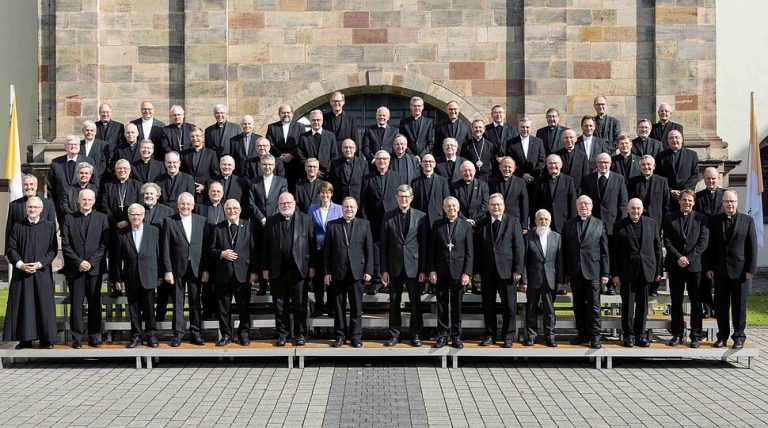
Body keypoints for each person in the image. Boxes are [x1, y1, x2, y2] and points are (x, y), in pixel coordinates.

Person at [3, 197, 59, 349]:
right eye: (30, 207)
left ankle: (46, 339)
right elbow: (11, 248)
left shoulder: (49, 226)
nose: (32, 210)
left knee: (43, 305)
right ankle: (25, 339)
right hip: (22, 273)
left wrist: (39, 264)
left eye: (35, 207)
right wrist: (20, 264)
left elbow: (52, 250)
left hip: (41, 272)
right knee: (24, 305)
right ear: (26, 208)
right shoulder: (18, 226)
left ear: (41, 209)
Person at [706, 191, 757, 349]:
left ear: (737, 202)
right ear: (722, 203)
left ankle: (739, 337)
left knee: (739, 307)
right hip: (720, 270)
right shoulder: (714, 220)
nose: (730, 204)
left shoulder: (747, 220)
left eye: (732, 201)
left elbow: (752, 247)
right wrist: (709, 267)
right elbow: (710, 246)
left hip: (740, 271)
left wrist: (750, 269)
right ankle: (722, 336)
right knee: (721, 306)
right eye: (727, 201)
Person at [262, 193, 315, 346]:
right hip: (277, 269)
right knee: (279, 305)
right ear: (278, 205)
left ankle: (300, 334)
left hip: (299, 269)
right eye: (282, 203)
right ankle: (282, 335)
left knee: (300, 304)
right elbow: (264, 247)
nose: (286, 205)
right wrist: (265, 268)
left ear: (294, 203)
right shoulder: (271, 221)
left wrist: (312, 266)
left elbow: (312, 244)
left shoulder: (305, 219)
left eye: (288, 202)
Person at [473, 193, 524, 348]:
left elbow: (519, 248)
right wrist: (476, 271)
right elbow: (476, 249)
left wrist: (518, 269)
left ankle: (508, 336)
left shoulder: (513, 222)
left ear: (504, 206)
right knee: (488, 306)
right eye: (493, 205)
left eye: (499, 205)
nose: (496, 207)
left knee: (509, 306)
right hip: (487, 271)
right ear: (488, 207)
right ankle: (490, 335)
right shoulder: (481, 224)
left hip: (507, 271)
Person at [380, 185, 428, 347]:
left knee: (415, 302)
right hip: (394, 266)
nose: (403, 199)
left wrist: (423, 269)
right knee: (394, 301)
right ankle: (395, 334)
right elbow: (383, 245)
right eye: (401, 196)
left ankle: (416, 334)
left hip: (414, 266)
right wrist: (384, 269)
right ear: (396, 198)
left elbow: (424, 245)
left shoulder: (421, 216)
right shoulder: (388, 216)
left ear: (411, 198)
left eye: (406, 196)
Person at [60, 189, 109, 348]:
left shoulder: (102, 218)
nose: (86, 202)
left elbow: (104, 244)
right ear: (78, 201)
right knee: (76, 303)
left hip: (95, 269)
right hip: (75, 269)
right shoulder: (69, 218)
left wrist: (91, 262)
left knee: (95, 302)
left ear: (94, 201)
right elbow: (65, 245)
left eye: (89, 199)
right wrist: (79, 262)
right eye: (84, 199)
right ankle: (77, 337)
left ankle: (94, 335)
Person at [611, 199, 663, 347]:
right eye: (633, 208)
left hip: (646, 271)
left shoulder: (652, 224)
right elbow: (614, 252)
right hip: (627, 272)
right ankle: (628, 335)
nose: (636, 211)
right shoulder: (619, 225)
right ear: (628, 209)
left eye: (638, 208)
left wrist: (658, 271)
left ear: (642, 209)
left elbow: (658, 249)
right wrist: (615, 274)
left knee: (643, 306)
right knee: (627, 305)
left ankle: (640, 335)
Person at [324, 197, 374, 348]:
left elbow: (369, 249)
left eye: (352, 207)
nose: (349, 209)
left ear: (356, 209)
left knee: (356, 307)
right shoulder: (332, 225)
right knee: (338, 307)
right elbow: (327, 251)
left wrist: (369, 270)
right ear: (342, 208)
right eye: (346, 206)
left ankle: (356, 337)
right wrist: (327, 272)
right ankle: (340, 336)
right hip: (338, 272)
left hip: (357, 272)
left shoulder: (364, 224)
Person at [663, 190, 710, 348]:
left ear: (694, 202)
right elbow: (667, 240)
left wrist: (688, 258)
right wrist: (679, 257)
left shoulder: (701, 218)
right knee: (676, 301)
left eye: (690, 200)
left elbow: (703, 242)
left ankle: (696, 335)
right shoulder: (670, 218)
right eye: (684, 200)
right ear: (679, 201)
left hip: (694, 266)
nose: (687, 203)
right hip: (675, 265)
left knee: (696, 302)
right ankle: (677, 334)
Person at [207, 199, 257, 346]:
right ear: (225, 211)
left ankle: (244, 334)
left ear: (240, 210)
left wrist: (254, 272)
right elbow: (210, 250)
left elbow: (254, 251)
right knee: (224, 308)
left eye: (235, 208)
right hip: (223, 274)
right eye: (229, 208)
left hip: (244, 273)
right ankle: (226, 335)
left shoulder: (249, 226)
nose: (232, 211)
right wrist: (221, 253)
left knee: (244, 307)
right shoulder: (218, 228)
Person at [562, 195, 610, 349]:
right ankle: (582, 334)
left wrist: (605, 273)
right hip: (575, 272)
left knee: (594, 306)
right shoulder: (568, 224)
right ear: (576, 207)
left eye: (587, 203)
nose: (584, 206)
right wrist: (565, 273)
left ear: (592, 206)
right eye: (581, 204)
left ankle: (595, 336)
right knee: (578, 305)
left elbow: (604, 251)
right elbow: (564, 251)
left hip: (593, 271)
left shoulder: (599, 224)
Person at [161, 192, 208, 346]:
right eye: (182, 203)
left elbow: (206, 248)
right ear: (178, 205)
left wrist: (206, 269)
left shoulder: (202, 221)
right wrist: (168, 270)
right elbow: (165, 248)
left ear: (193, 205)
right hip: (177, 269)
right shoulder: (169, 221)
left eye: (188, 204)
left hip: (196, 267)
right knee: (178, 302)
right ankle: (178, 334)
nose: (185, 206)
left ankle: (196, 333)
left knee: (195, 301)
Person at [111, 203, 161, 348]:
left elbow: (160, 253)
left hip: (149, 275)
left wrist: (160, 275)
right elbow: (117, 258)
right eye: (132, 214)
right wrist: (118, 278)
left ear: (143, 215)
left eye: (138, 214)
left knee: (149, 308)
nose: (135, 217)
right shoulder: (121, 233)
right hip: (130, 275)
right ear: (128, 216)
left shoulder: (154, 231)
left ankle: (152, 335)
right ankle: (136, 336)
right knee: (133, 309)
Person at [428, 197, 473, 349]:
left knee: (456, 306)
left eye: (454, 206)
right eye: (448, 206)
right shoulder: (437, 224)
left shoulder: (466, 226)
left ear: (458, 208)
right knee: (441, 305)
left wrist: (467, 272)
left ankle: (456, 336)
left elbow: (470, 252)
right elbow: (431, 250)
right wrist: (432, 270)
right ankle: (442, 335)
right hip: (440, 271)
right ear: (444, 208)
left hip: (458, 272)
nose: (451, 208)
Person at [580, 153, 628, 294]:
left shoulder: (619, 179)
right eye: (601, 162)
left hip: (612, 224)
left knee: (611, 253)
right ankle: (597, 283)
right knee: (596, 253)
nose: (603, 165)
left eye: (606, 162)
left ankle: (611, 283)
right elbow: (584, 200)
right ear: (596, 163)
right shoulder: (588, 179)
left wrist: (621, 223)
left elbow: (623, 203)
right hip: (593, 224)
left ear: (610, 163)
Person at [361, 150, 405, 294]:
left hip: (393, 219)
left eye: (385, 159)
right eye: (379, 159)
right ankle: (377, 281)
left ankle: (393, 280)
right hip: (374, 220)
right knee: (375, 250)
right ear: (375, 162)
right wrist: (365, 221)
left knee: (393, 249)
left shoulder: (397, 177)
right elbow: (363, 202)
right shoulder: (367, 178)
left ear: (389, 161)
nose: (382, 162)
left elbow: (402, 199)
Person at [520, 209, 563, 347]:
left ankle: (550, 336)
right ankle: (531, 336)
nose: (543, 221)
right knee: (531, 309)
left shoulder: (557, 237)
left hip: (550, 279)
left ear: (550, 221)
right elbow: (524, 261)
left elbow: (560, 261)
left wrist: (560, 281)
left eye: (546, 219)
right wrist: (524, 280)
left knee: (549, 310)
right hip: (533, 278)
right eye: (540, 219)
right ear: (535, 220)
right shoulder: (528, 237)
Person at [308, 182, 343, 317]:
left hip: (333, 249)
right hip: (318, 248)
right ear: (319, 194)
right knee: (318, 280)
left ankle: (331, 307)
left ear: (331, 194)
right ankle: (318, 307)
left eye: (328, 192)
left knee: (332, 279)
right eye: (322, 192)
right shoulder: (313, 208)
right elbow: (309, 228)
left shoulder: (338, 209)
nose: (325, 195)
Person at [694, 167, 725, 317]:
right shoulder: (698, 197)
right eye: (708, 178)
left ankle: (718, 308)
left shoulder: (725, 195)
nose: (711, 181)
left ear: (718, 178)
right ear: (704, 179)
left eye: (713, 178)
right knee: (704, 277)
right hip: (703, 241)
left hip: (721, 241)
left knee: (719, 277)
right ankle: (706, 307)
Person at [48, 135, 94, 224]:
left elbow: (94, 182)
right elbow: (51, 186)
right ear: (65, 146)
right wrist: (52, 206)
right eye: (70, 144)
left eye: (75, 144)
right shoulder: (56, 163)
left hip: (84, 207)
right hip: (61, 208)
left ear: (79, 146)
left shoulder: (88, 161)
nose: (73, 146)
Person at [5, 175, 56, 251]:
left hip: (42, 251)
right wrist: (7, 252)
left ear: (36, 185)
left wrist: (52, 252)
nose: (28, 187)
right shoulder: (14, 205)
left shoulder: (48, 204)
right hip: (20, 252)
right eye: (25, 184)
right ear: (22, 186)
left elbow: (52, 231)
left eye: (31, 184)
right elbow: (9, 231)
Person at [529, 154, 577, 233]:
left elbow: (572, 203)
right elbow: (534, 204)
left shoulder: (568, 181)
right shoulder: (539, 181)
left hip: (563, 222)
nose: (553, 166)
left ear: (561, 165)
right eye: (550, 163)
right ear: (546, 165)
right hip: (544, 223)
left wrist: (572, 223)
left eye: (555, 163)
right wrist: (533, 224)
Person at [655, 130, 699, 210]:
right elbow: (658, 176)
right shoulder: (660, 156)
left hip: (686, 197)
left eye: (677, 137)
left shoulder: (692, 155)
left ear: (682, 139)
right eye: (671, 138)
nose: (674, 140)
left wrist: (684, 191)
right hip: (668, 196)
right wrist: (670, 190)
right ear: (668, 141)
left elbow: (695, 175)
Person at [265, 104, 303, 186]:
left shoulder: (300, 127)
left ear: (292, 114)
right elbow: (269, 142)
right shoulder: (272, 127)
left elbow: (302, 143)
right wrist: (280, 155)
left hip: (295, 164)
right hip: (278, 163)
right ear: (279, 114)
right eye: (283, 112)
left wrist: (291, 154)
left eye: (288, 112)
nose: (286, 114)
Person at [489, 157, 529, 232]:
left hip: (515, 221)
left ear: (514, 168)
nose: (507, 169)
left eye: (509, 167)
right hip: (497, 220)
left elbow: (524, 205)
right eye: (504, 166)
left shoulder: (521, 182)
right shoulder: (492, 182)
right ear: (500, 167)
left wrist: (524, 225)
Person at [180, 126, 220, 202]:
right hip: (188, 194)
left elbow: (216, 175)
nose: (195, 138)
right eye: (192, 136)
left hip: (205, 195)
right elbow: (182, 173)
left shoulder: (211, 154)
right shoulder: (184, 154)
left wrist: (205, 187)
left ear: (202, 137)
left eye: (197, 136)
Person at [411, 153, 450, 227]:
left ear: (434, 164)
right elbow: (413, 202)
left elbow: (446, 200)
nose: (428, 163)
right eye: (425, 161)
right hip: (420, 220)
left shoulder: (442, 181)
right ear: (421, 164)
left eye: (430, 161)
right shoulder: (415, 182)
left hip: (438, 219)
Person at [505, 116, 546, 185]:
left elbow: (542, 160)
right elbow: (511, 162)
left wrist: (533, 175)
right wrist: (522, 175)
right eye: (522, 127)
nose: (525, 129)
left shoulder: (538, 142)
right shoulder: (511, 143)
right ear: (519, 127)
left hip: (535, 179)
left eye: (527, 127)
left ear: (531, 128)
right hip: (518, 179)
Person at [298, 110, 338, 175]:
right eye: (313, 120)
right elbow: (300, 154)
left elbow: (334, 155)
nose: (316, 122)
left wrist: (327, 169)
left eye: (318, 120)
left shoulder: (330, 136)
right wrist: (311, 168)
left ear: (322, 121)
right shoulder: (303, 137)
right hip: (309, 173)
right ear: (310, 121)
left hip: (326, 174)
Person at [327, 138, 367, 205]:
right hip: (339, 201)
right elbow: (331, 182)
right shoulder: (335, 164)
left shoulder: (363, 163)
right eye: (345, 147)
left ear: (355, 149)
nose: (348, 150)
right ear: (342, 149)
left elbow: (365, 184)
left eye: (350, 147)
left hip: (358, 201)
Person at [451, 161, 489, 227]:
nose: (467, 173)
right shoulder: (454, 186)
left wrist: (472, 218)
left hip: (479, 222)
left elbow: (485, 205)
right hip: (461, 222)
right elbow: (454, 205)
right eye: (464, 171)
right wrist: (465, 219)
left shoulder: (483, 185)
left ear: (474, 171)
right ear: (460, 173)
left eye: (470, 170)